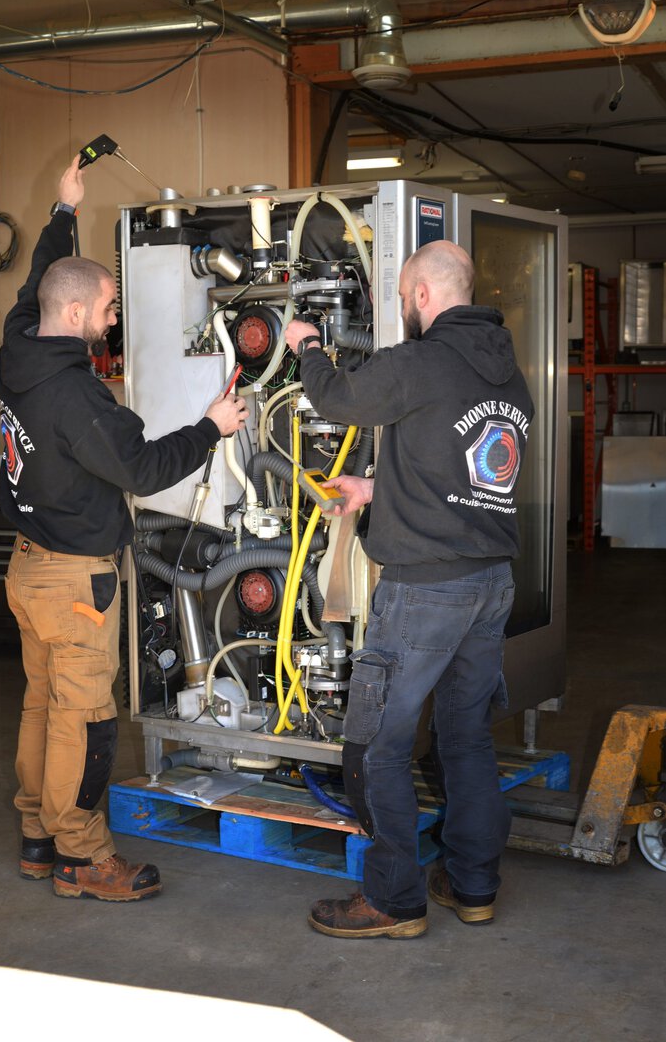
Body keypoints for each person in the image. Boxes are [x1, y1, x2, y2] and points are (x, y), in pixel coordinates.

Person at [0, 155, 249, 902]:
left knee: (44, 706)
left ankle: (38, 836)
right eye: (109, 305)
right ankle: (81, 856)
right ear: (75, 315)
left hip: (28, 570)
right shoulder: (78, 399)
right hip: (77, 582)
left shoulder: (19, 348)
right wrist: (210, 426)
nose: (114, 315)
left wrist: (63, 211)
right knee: (88, 718)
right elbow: (141, 469)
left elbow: (41, 277)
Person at [285, 240, 534, 939]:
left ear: (422, 294)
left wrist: (307, 345)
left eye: (400, 297)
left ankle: (394, 901)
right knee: (464, 739)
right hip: (489, 583)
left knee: (377, 747)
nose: (400, 308)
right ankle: (471, 885)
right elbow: (464, 471)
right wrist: (375, 489)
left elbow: (335, 397)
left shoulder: (419, 361)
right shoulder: (508, 374)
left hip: (425, 590)